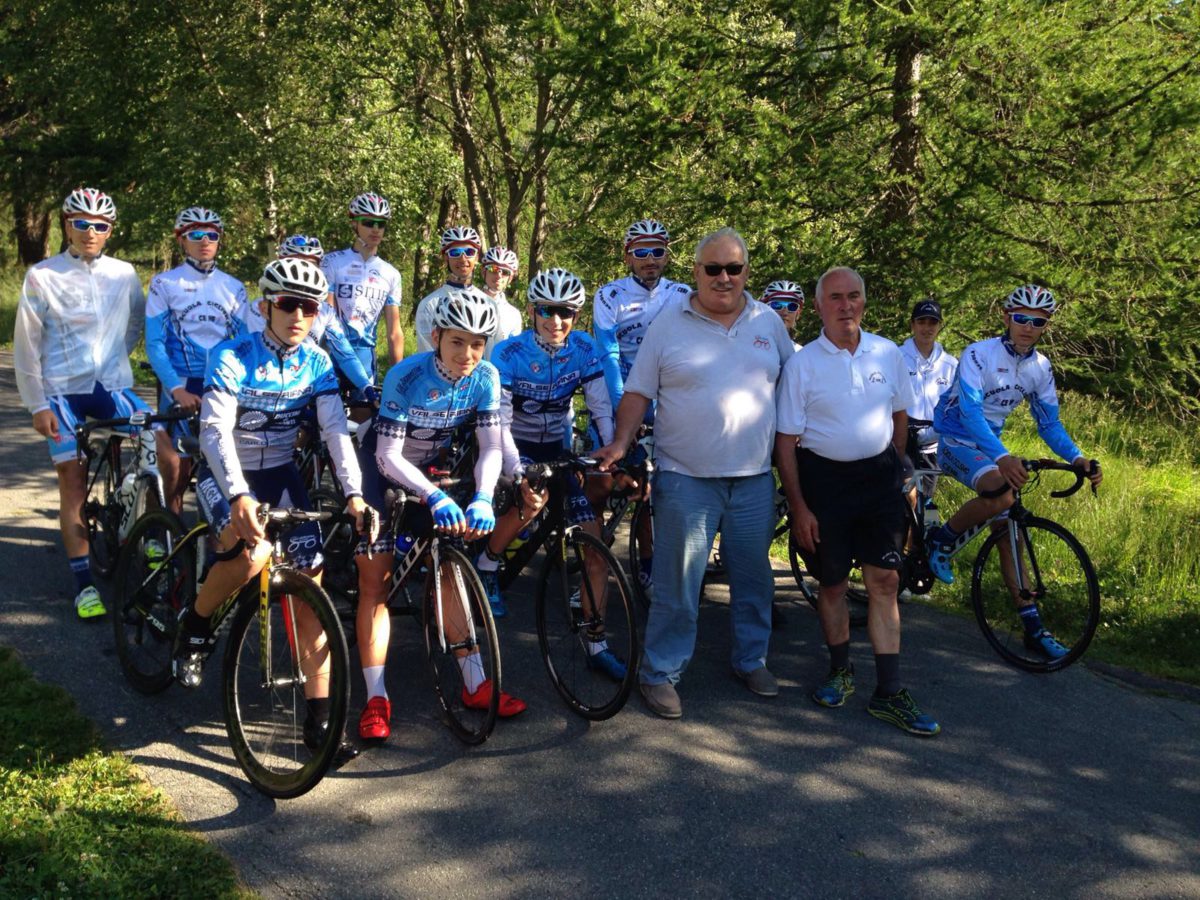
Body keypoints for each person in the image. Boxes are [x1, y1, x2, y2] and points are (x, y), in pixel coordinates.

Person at [172, 257, 374, 747]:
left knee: (312, 581)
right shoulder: (231, 356)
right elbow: (215, 430)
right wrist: (239, 494)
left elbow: (333, 432)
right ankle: (195, 623)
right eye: (287, 304)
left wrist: (354, 493)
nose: (298, 316)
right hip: (228, 474)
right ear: (265, 306)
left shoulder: (318, 362)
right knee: (252, 553)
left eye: (308, 306)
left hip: (281, 473)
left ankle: (321, 719)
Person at [594, 227, 792, 719]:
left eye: (734, 268)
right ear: (696, 272)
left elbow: (796, 389)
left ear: (747, 271)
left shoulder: (770, 321)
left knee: (753, 579)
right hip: (686, 477)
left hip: (752, 479)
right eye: (713, 269)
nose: (724, 278)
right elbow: (638, 391)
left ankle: (752, 659)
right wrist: (621, 441)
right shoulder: (669, 323)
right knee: (678, 583)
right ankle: (659, 672)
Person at [774, 266, 940, 737]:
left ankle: (889, 692)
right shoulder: (802, 365)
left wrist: (897, 470)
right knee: (830, 584)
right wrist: (800, 506)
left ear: (863, 302)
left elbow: (899, 415)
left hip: (877, 482)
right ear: (820, 305)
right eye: (835, 298)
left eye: (853, 297)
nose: (845, 306)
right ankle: (840, 669)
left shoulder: (887, 353)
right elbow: (785, 442)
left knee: (885, 580)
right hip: (823, 484)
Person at [355, 289, 526, 741]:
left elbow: (491, 447)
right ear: (436, 336)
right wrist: (433, 496)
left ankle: (474, 683)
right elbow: (387, 456)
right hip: (383, 467)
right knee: (376, 578)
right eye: (457, 342)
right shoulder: (406, 376)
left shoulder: (486, 376)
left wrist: (484, 497)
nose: (468, 354)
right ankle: (376, 697)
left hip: (432, 467)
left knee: (449, 565)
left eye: (477, 343)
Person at [13, 187, 165, 619]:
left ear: (110, 230)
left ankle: (151, 530)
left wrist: (118, 355)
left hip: (110, 384)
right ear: (66, 225)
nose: (90, 232)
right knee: (72, 482)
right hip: (61, 391)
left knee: (161, 444)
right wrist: (37, 404)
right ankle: (83, 583)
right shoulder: (43, 275)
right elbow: (26, 345)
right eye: (81, 224)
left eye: (100, 226)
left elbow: (136, 319)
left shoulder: (124, 273)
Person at [928, 284, 1102, 658]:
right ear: (1006, 317)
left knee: (1010, 536)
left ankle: (1033, 628)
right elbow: (970, 414)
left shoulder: (1040, 368)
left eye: (1037, 321)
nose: (1028, 326)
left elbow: (1049, 425)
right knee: (1001, 490)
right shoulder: (979, 354)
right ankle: (940, 540)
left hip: (991, 447)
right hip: (956, 440)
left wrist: (1077, 459)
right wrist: (1004, 457)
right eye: (1021, 318)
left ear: (1046, 326)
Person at [476, 268, 616, 668]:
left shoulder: (585, 349)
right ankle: (488, 564)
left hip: (557, 444)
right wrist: (515, 466)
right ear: (532, 311)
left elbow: (601, 408)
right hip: (514, 442)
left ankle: (596, 641)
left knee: (596, 541)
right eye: (547, 311)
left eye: (566, 313)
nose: (556, 322)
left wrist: (608, 451)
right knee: (531, 504)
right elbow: (498, 419)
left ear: (577, 314)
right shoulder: (509, 352)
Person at [592, 218, 689, 592]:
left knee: (657, 488)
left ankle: (650, 562)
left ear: (667, 255)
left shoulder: (681, 294)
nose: (650, 259)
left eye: (657, 251)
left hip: (668, 397)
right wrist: (623, 411)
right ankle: (590, 562)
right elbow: (608, 354)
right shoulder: (609, 295)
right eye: (641, 252)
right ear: (627, 256)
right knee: (600, 481)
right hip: (624, 389)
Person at [145, 207, 247, 512]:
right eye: (196, 235)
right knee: (176, 469)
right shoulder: (165, 284)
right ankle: (163, 533)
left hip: (219, 384)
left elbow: (243, 344)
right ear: (182, 240)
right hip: (180, 384)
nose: (205, 241)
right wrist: (176, 389)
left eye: (212, 235)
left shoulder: (234, 287)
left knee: (222, 465)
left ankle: (216, 541)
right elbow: (154, 343)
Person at [237, 234, 376, 398]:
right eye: (294, 262)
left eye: (310, 264)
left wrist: (365, 385)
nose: (301, 269)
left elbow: (345, 354)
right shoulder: (263, 305)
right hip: (263, 385)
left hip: (308, 386)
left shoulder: (324, 311)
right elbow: (253, 351)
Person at [321, 192, 404, 395]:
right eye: (368, 222)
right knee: (320, 419)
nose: (375, 229)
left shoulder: (391, 273)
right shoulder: (332, 262)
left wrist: (398, 377)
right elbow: (326, 316)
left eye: (380, 223)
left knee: (363, 418)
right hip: (331, 352)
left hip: (365, 354)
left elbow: (394, 332)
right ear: (354, 224)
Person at [899, 298, 957, 502]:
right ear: (912, 324)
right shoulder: (896, 357)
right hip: (901, 445)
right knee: (906, 502)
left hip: (933, 447)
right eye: (921, 321)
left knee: (926, 504)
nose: (927, 327)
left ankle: (928, 533)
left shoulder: (951, 365)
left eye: (932, 322)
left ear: (939, 326)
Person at [414, 226, 503, 354]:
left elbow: (492, 352)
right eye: (455, 252)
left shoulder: (489, 303)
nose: (463, 258)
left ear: (477, 257)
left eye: (469, 252)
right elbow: (426, 354)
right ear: (446, 257)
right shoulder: (429, 304)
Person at [479, 246, 524, 346]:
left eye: (505, 272)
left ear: (510, 278)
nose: (499, 275)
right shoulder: (469, 303)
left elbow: (513, 351)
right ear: (483, 272)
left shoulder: (514, 315)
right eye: (493, 269)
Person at [759, 280, 806, 351]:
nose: (784, 312)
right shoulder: (749, 346)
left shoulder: (801, 353)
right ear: (764, 309)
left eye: (792, 306)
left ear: (798, 313)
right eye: (777, 305)